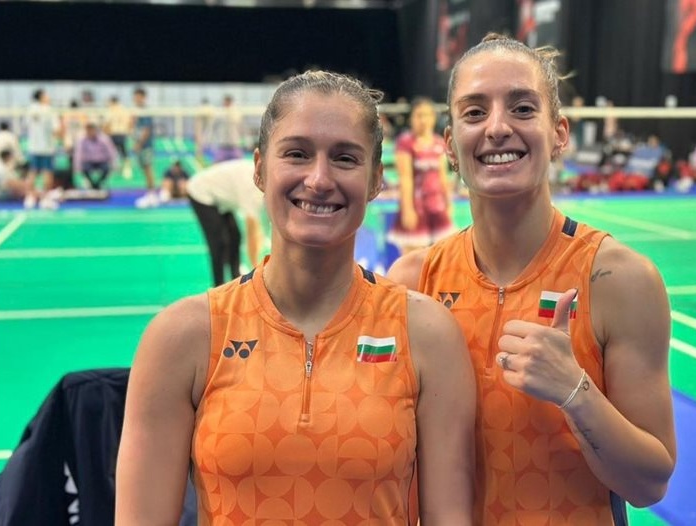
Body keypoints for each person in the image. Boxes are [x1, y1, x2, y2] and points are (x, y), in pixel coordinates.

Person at [116, 70, 476, 525]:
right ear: (259, 169)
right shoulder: (181, 338)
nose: (319, 179)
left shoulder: (427, 335)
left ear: (376, 180)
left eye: (345, 158)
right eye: (297, 154)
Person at [387, 33, 676, 525]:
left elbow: (648, 485)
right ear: (449, 144)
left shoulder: (619, 281)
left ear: (559, 133)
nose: (498, 127)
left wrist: (575, 392)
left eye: (522, 108)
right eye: (475, 112)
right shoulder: (414, 281)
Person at [387, 97, 456, 254]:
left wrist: (448, 203)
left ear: (433, 118)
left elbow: (443, 177)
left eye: (427, 115)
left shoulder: (439, 143)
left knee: (442, 255)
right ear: (411, 118)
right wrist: (407, 209)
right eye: (419, 115)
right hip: (416, 208)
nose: (423, 120)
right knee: (413, 257)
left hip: (437, 207)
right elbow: (405, 178)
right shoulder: (405, 143)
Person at [185, 158, 263, 285]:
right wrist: (256, 270)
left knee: (235, 236)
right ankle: (218, 287)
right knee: (218, 244)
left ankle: (236, 280)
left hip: (222, 197)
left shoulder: (261, 178)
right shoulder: (251, 187)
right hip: (201, 192)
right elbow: (252, 234)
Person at [24, 88, 62, 209]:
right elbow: (56, 130)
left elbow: (25, 126)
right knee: (47, 173)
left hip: (33, 147)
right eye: (46, 95)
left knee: (32, 172)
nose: (48, 97)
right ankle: (45, 200)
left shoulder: (30, 109)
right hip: (47, 148)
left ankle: (30, 198)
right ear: (41, 97)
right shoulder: (49, 110)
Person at [131, 87, 158, 208]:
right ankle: (150, 194)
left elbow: (147, 130)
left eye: (138, 96)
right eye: (135, 96)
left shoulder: (145, 111)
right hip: (140, 145)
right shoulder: (136, 111)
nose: (136, 99)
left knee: (148, 169)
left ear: (143, 97)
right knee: (145, 170)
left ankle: (152, 196)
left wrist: (139, 144)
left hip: (146, 145)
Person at [73, 122, 119, 190]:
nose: (90, 133)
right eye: (88, 131)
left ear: (95, 130)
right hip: (89, 162)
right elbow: (78, 154)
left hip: (102, 161)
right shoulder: (82, 140)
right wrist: (77, 167)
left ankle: (98, 184)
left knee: (106, 168)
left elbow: (112, 152)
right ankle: (93, 184)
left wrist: (115, 165)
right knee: (84, 168)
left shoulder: (104, 139)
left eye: (91, 130)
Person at [103, 95, 133, 179]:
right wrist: (129, 132)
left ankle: (115, 168)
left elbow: (107, 123)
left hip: (114, 133)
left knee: (112, 153)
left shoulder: (110, 110)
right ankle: (126, 170)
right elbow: (130, 122)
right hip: (123, 133)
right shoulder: (125, 110)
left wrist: (105, 133)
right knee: (123, 152)